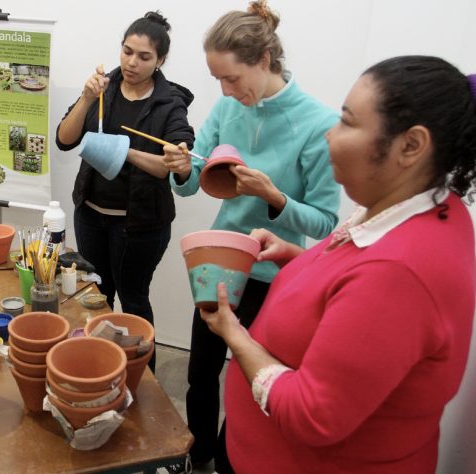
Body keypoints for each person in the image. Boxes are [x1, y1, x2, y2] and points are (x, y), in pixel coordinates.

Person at [200, 55, 476, 473]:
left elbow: (313, 415)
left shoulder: (400, 275)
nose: (331, 133)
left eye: (347, 122)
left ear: (411, 146)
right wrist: (297, 254)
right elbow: (353, 271)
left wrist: (234, 335)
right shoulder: (421, 208)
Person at [162, 1, 341, 469]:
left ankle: (226, 459)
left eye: (232, 78)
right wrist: (181, 169)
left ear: (263, 60)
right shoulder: (226, 106)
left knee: (247, 383)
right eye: (217, 79)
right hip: (217, 263)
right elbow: (194, 174)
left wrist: (275, 198)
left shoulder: (317, 124)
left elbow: (324, 223)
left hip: (273, 276)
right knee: (200, 372)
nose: (224, 90)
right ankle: (195, 455)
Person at [56, 11, 195, 371]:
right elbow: (64, 139)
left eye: (144, 56)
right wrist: (86, 99)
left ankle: (141, 381)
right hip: (90, 215)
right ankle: (100, 369)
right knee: (96, 298)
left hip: (139, 225)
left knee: (133, 301)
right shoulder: (105, 88)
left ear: (160, 60)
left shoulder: (169, 103)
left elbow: (173, 163)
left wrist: (122, 150)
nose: (132, 62)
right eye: (127, 51)